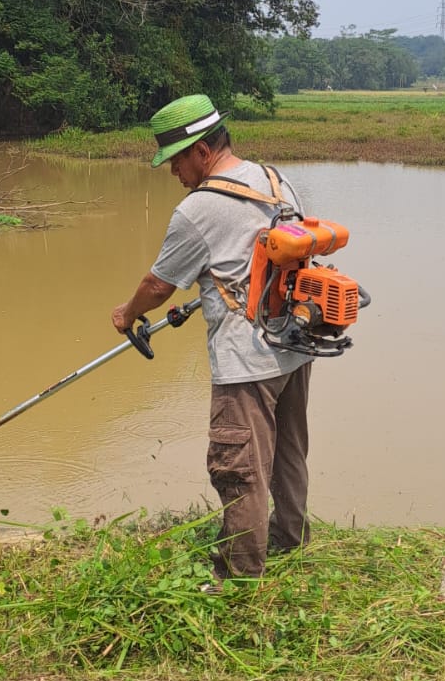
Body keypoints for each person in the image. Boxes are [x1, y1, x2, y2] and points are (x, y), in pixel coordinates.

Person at [111, 93, 311, 583]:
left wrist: (127, 314)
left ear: (201, 151)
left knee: (238, 467)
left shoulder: (198, 209)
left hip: (248, 361)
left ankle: (241, 576)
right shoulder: (274, 179)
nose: (173, 172)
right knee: (288, 450)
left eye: (175, 160)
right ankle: (291, 538)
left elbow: (158, 285)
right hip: (296, 343)